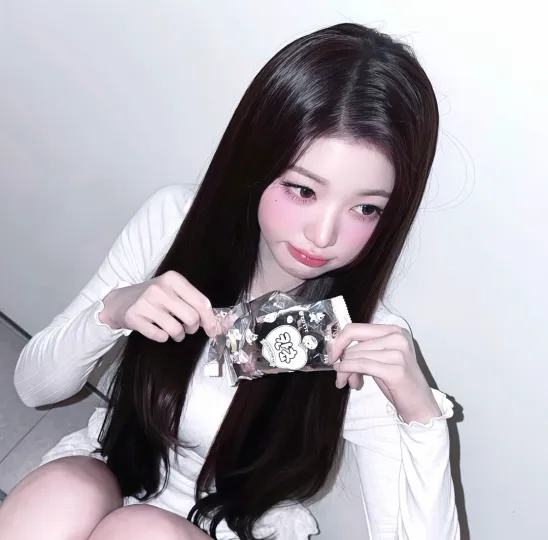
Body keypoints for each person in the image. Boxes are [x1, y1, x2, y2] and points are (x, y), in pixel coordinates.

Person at [0, 22, 461, 540]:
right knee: (63, 496)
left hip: (233, 526)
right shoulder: (176, 222)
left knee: (141, 531)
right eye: (303, 190)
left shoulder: (360, 337)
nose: (324, 235)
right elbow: (34, 389)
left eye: (366, 208)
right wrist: (112, 312)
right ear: (256, 163)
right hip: (117, 467)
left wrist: (421, 414)